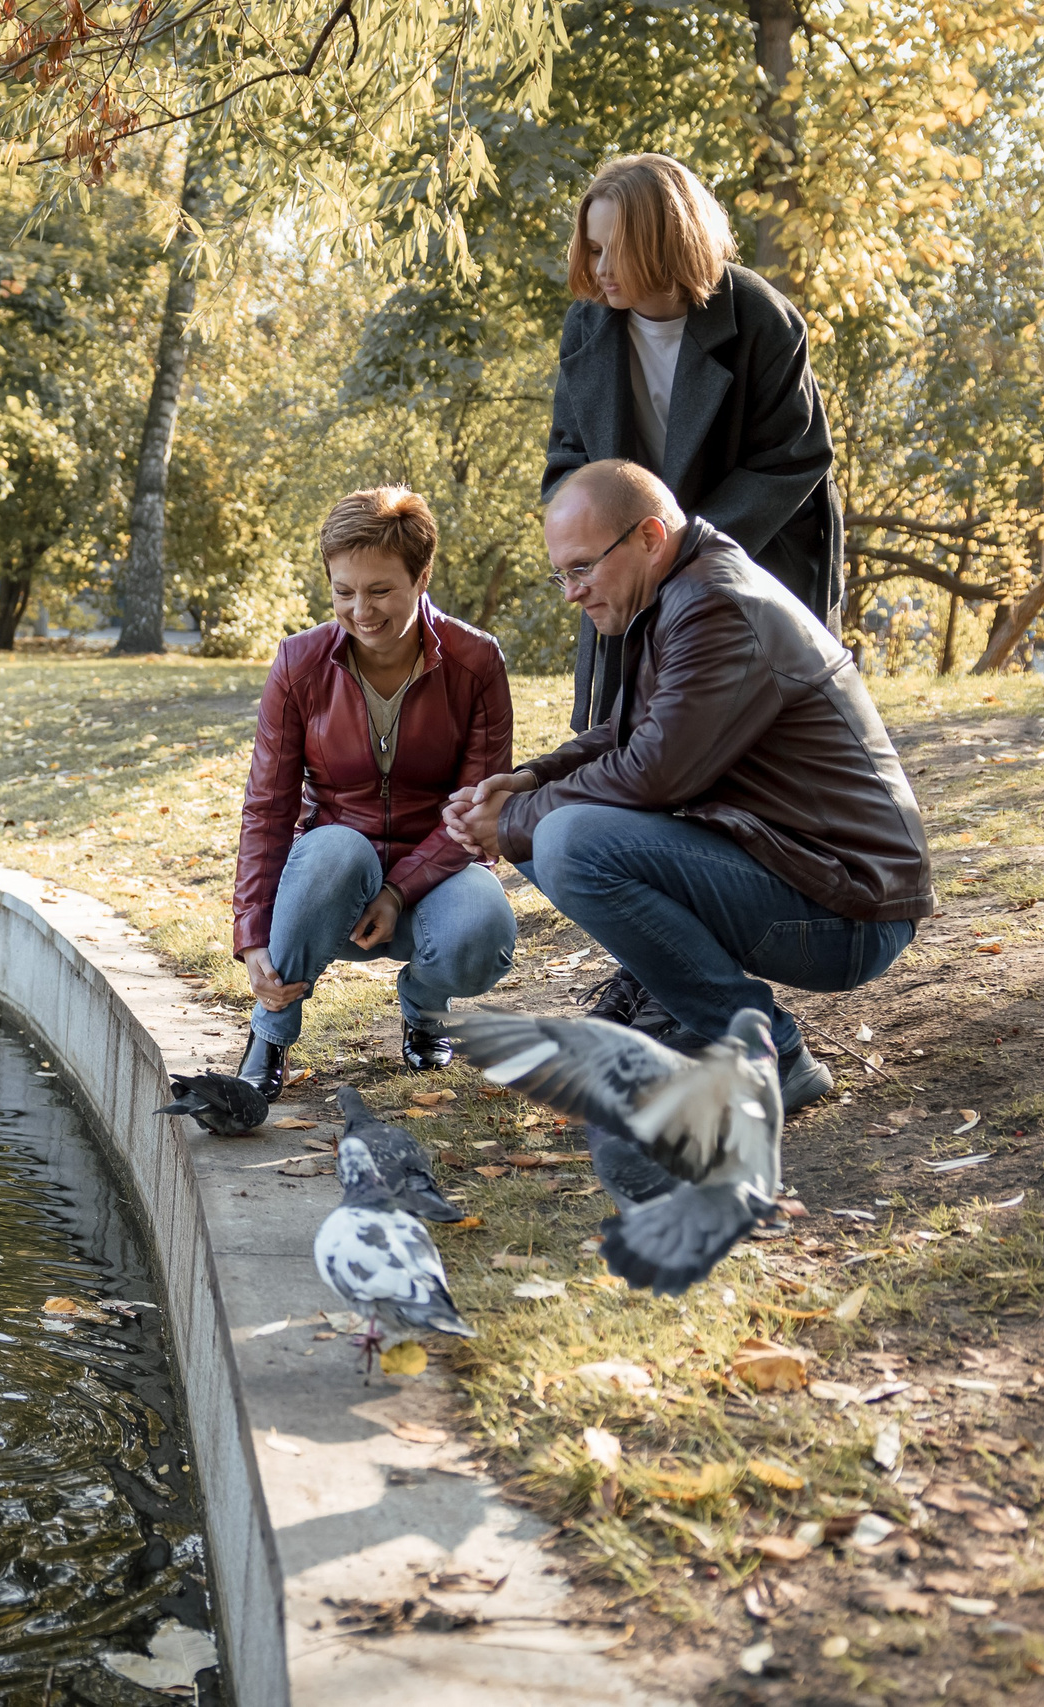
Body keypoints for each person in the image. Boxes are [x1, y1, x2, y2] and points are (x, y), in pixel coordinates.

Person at [442, 461, 933, 1112]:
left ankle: (762, 1053)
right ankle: (684, 1014)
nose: (571, 593)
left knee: (562, 839)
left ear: (648, 536)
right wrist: (527, 780)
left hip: (847, 908)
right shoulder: (680, 587)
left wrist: (511, 819)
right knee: (547, 826)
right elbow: (627, 735)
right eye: (561, 573)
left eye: (582, 568)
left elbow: (654, 772)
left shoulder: (716, 604)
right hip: (796, 872)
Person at [545, 152, 848, 1041]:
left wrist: (685, 552)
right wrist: (595, 548)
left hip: (748, 572)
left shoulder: (756, 315)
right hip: (626, 574)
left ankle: (693, 980)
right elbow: (566, 459)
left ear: (663, 238)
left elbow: (796, 458)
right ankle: (650, 971)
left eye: (614, 249)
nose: (597, 269)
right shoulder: (587, 330)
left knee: (722, 776)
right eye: (589, 249)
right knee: (634, 761)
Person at [230, 487, 518, 1095]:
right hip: (332, 888)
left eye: (380, 590)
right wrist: (252, 934)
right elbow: (269, 808)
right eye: (343, 591)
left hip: (434, 882)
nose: (361, 610)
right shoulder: (298, 664)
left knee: (483, 928)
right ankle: (271, 1032)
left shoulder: (476, 663)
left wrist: (398, 889)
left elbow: (475, 815)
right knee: (335, 849)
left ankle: (423, 1008)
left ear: (422, 575)